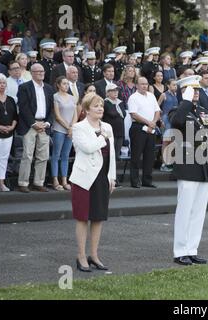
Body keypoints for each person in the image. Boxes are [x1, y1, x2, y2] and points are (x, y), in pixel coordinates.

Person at [168, 76, 208, 265]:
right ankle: (180, 251)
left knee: (198, 211)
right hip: (187, 164)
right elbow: (176, 122)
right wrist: (185, 101)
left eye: (196, 90)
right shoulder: (177, 110)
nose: (196, 93)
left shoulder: (202, 111)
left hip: (203, 164)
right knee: (185, 210)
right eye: (191, 90)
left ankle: (192, 248)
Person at [70, 92, 116, 272]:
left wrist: (112, 176)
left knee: (98, 217)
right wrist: (102, 138)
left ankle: (94, 255)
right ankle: (81, 256)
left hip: (102, 177)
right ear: (87, 109)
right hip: (84, 179)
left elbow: (112, 154)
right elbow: (88, 148)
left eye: (101, 106)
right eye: (96, 106)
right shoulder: (79, 127)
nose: (100, 109)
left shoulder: (107, 127)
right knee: (82, 218)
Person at [16, 63, 54, 193]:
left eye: (42, 71)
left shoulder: (49, 88)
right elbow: (23, 107)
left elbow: (52, 109)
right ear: (31, 73)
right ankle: (23, 183)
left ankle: (39, 182)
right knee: (27, 155)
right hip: (30, 125)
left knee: (43, 156)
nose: (41, 73)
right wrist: (34, 123)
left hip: (44, 125)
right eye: (38, 71)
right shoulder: (24, 87)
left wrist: (47, 123)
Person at [128, 76, 160, 188]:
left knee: (150, 156)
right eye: (142, 84)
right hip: (138, 128)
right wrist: (148, 122)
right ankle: (135, 181)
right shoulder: (133, 97)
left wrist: (153, 122)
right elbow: (134, 114)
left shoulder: (151, 96)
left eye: (146, 84)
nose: (144, 86)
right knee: (136, 156)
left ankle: (147, 180)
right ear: (136, 85)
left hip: (151, 128)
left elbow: (157, 110)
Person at [51, 76, 77, 191]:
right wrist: (68, 127)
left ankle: (65, 180)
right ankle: (55, 180)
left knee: (66, 155)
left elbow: (75, 114)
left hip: (70, 130)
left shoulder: (72, 98)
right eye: (64, 84)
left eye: (67, 84)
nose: (66, 86)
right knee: (56, 155)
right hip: (59, 129)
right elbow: (57, 116)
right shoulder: (55, 96)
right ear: (58, 85)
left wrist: (72, 127)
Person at [0, 73, 18, 192]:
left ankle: (1, 182)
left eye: (4, 83)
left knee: (4, 157)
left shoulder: (11, 99)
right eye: (0, 83)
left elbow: (15, 116)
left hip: (9, 132)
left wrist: (12, 127)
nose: (2, 85)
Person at [103, 83, 126, 171]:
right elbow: (112, 113)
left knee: (116, 155)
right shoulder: (106, 103)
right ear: (108, 93)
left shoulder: (120, 102)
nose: (116, 92)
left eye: (116, 90)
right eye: (113, 91)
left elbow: (123, 113)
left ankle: (114, 177)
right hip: (110, 133)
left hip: (120, 132)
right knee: (109, 155)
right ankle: (107, 175)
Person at [157, 78, 178, 172]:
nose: (175, 86)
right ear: (168, 86)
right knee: (166, 142)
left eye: (176, 85)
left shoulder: (176, 94)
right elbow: (156, 106)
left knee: (172, 142)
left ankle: (170, 162)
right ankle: (164, 163)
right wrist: (160, 119)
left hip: (174, 120)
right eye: (173, 85)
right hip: (166, 120)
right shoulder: (163, 95)